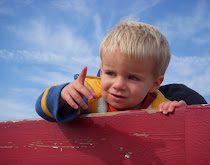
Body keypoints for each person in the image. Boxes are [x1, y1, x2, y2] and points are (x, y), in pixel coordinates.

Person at [35, 20, 187, 122]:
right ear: (101, 71)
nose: (118, 85)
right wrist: (63, 96)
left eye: (132, 77)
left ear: (154, 84)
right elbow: (44, 109)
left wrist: (177, 114)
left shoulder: (159, 107)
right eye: (111, 73)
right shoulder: (90, 97)